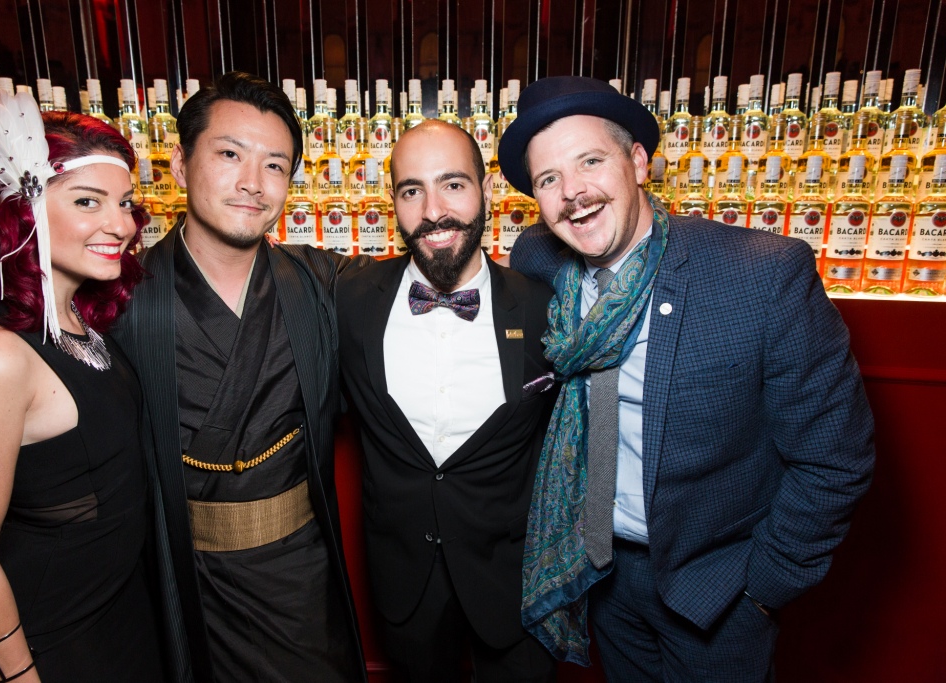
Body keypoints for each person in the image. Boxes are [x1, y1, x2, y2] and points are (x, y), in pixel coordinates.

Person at [496, 76, 876, 681]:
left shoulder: (762, 276)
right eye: (548, 179)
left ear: (638, 162)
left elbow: (835, 456)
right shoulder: (540, 262)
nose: (572, 193)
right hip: (600, 574)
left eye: (590, 161)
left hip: (717, 591)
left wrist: (763, 587)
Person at [112, 72, 366, 682]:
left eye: (275, 165)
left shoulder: (321, 283)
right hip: (184, 575)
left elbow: (429, 290)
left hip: (298, 572)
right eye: (230, 155)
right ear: (179, 165)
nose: (253, 182)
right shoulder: (118, 298)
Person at [0, 93, 165, 682]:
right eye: (88, 201)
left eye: (125, 203)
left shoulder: (83, 320)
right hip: (51, 645)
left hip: (122, 623)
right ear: (24, 211)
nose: (121, 225)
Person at [336, 120, 558, 682]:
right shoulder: (351, 300)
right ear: (392, 201)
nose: (433, 211)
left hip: (514, 580)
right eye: (412, 190)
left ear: (486, 191)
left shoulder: (544, 308)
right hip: (404, 580)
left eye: (453, 185)